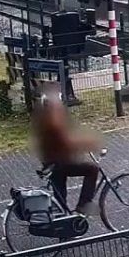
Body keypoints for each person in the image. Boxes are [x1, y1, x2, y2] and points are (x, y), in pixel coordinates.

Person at [31, 82, 102, 218]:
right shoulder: (53, 120)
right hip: (58, 163)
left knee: (60, 197)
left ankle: (63, 227)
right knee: (92, 169)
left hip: (49, 163)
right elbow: (65, 141)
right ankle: (83, 204)